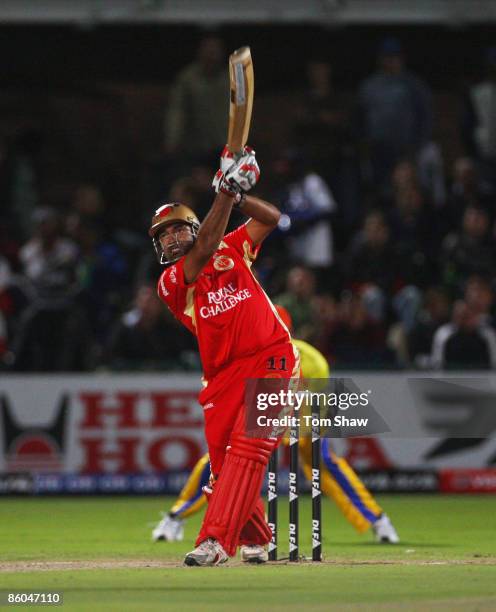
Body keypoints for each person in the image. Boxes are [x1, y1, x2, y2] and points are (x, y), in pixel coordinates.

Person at [150, 145, 300, 566]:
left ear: (194, 229)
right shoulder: (171, 282)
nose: (171, 238)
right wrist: (223, 192)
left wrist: (236, 196)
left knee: (250, 448)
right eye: (163, 235)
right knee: (223, 468)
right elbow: (206, 245)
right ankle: (260, 538)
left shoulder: (232, 248)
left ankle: (215, 541)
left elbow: (271, 218)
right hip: (221, 376)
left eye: (178, 229)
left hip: (272, 356)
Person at [151, 305, 399, 549]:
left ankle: (377, 520)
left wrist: (302, 431)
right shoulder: (240, 355)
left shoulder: (311, 360)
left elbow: (319, 406)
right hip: (255, 416)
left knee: (322, 459)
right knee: (220, 462)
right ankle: (176, 517)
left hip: (298, 416)